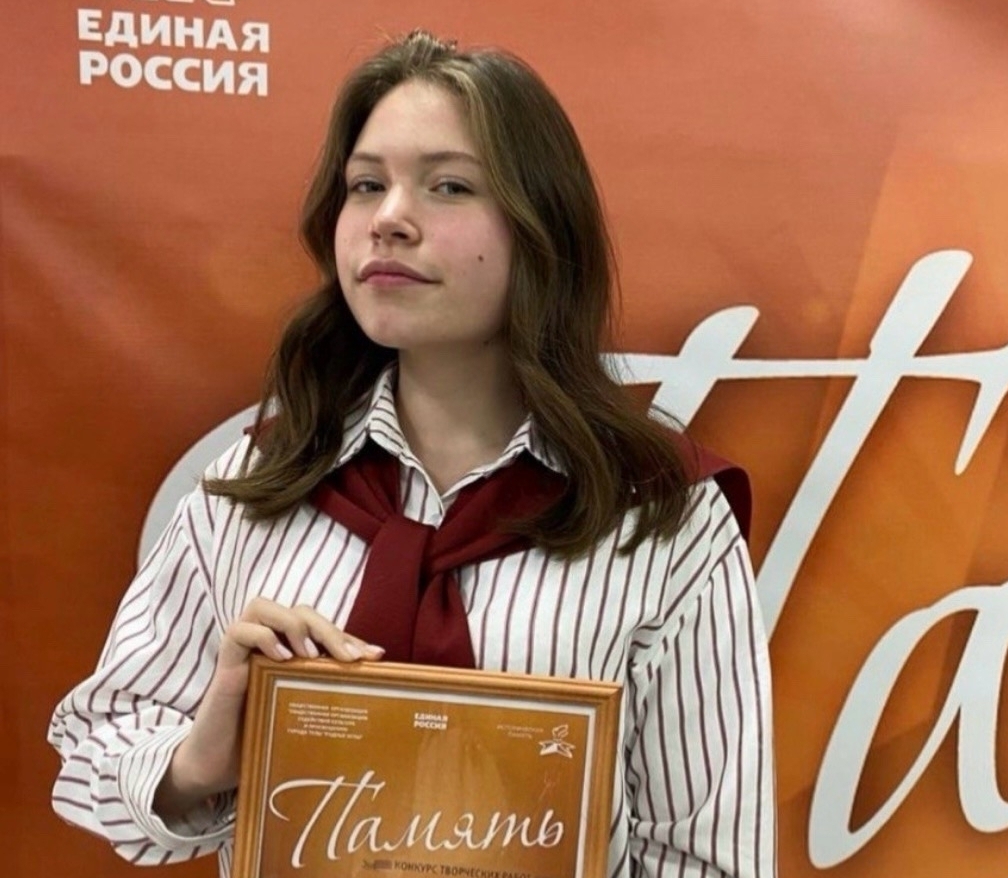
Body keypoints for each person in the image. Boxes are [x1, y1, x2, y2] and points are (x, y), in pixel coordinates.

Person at [48, 29, 777, 878]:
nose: (389, 219)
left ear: (541, 227)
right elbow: (96, 750)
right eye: (366, 185)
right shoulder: (252, 486)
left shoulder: (665, 515)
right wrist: (202, 757)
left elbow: (706, 857)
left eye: (449, 185)